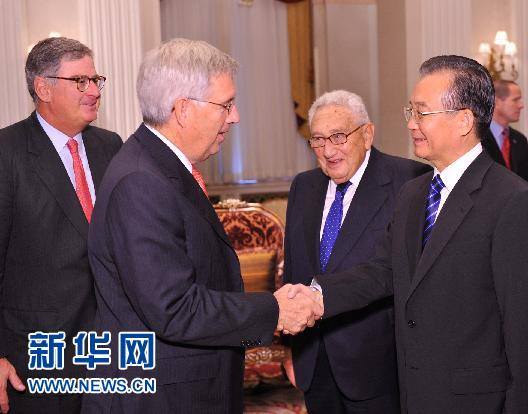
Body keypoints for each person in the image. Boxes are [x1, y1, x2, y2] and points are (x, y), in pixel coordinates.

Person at [289, 55, 528, 413]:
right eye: (410, 112)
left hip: (476, 401)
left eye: (422, 113)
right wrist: (317, 296)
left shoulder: (514, 202)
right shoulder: (414, 194)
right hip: (414, 393)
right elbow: (383, 271)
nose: (411, 124)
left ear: (463, 120)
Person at [82, 38, 322, 413]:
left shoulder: (163, 166)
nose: (235, 116)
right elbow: (174, 307)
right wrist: (274, 310)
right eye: (226, 104)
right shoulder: (142, 181)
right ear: (183, 109)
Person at [283, 90, 430, 413]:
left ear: (367, 134)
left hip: (377, 365)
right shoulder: (303, 186)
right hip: (313, 359)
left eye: (338, 136)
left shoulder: (410, 181)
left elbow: (410, 277)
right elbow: (294, 269)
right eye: (318, 139)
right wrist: (290, 349)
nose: (328, 150)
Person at [0, 37, 123, 414]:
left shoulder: (111, 146)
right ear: (43, 88)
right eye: (80, 81)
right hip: (35, 362)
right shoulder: (7, 152)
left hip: (109, 354)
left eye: (95, 80)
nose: (94, 91)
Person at [481, 80, 528, 186]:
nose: (521, 105)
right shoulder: (476, 137)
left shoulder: (520, 140)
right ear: (496, 102)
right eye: (516, 100)